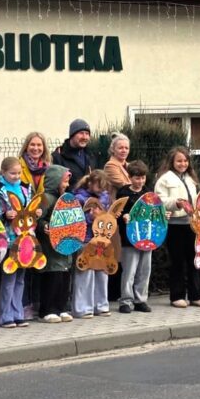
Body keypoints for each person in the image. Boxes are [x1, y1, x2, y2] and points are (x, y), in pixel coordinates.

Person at [154, 147, 200, 309]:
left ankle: (196, 295)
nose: (183, 164)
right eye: (179, 161)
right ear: (172, 161)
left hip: (192, 224)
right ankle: (177, 296)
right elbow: (159, 200)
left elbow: (195, 197)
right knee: (178, 261)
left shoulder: (190, 178)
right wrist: (175, 204)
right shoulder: (164, 179)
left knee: (194, 259)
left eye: (185, 161)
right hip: (175, 225)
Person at [0, 157, 37, 328]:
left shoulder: (25, 188)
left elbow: (29, 208)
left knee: (21, 278)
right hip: (7, 238)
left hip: (24, 237)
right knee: (9, 277)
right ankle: (6, 315)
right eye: (12, 173)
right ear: (3, 172)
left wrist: (33, 213)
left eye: (18, 173)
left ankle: (18, 313)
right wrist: (3, 215)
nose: (16, 176)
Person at [37, 164, 75, 323]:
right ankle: (47, 309)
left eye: (67, 182)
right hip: (50, 247)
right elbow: (37, 218)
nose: (66, 185)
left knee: (65, 278)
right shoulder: (45, 198)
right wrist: (44, 226)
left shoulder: (65, 198)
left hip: (65, 245)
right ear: (55, 181)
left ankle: (62, 307)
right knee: (53, 277)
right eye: (64, 182)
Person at [72, 170, 113, 318]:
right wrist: (90, 217)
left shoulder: (104, 197)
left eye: (103, 187)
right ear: (90, 183)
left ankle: (101, 305)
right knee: (85, 274)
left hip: (101, 240)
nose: (101, 190)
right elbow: (76, 220)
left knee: (102, 273)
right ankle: (82, 308)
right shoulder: (79, 198)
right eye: (98, 186)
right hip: (86, 239)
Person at [19, 132, 51, 319]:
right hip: (23, 221)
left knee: (38, 262)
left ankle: (37, 302)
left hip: (41, 218)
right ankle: (24, 305)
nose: (36, 149)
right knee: (24, 262)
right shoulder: (20, 165)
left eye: (39, 145)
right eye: (32, 145)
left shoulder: (48, 168)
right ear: (26, 146)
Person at [117, 160, 152, 314]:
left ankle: (140, 300)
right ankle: (125, 300)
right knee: (129, 270)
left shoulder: (148, 192)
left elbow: (154, 212)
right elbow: (117, 213)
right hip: (129, 238)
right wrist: (123, 216)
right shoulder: (123, 193)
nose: (140, 181)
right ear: (130, 177)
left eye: (143, 178)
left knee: (145, 270)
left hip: (147, 237)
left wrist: (163, 215)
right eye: (137, 178)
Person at [103, 133, 132, 302]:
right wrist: (137, 183)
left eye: (126, 148)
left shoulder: (128, 165)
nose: (123, 150)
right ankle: (113, 292)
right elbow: (125, 185)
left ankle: (122, 289)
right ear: (113, 149)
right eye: (120, 147)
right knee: (116, 251)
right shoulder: (111, 166)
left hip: (127, 213)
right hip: (116, 213)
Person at [52, 119, 96, 188]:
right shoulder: (58, 157)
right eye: (81, 133)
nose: (84, 137)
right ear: (72, 135)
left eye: (87, 134)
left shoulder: (91, 155)